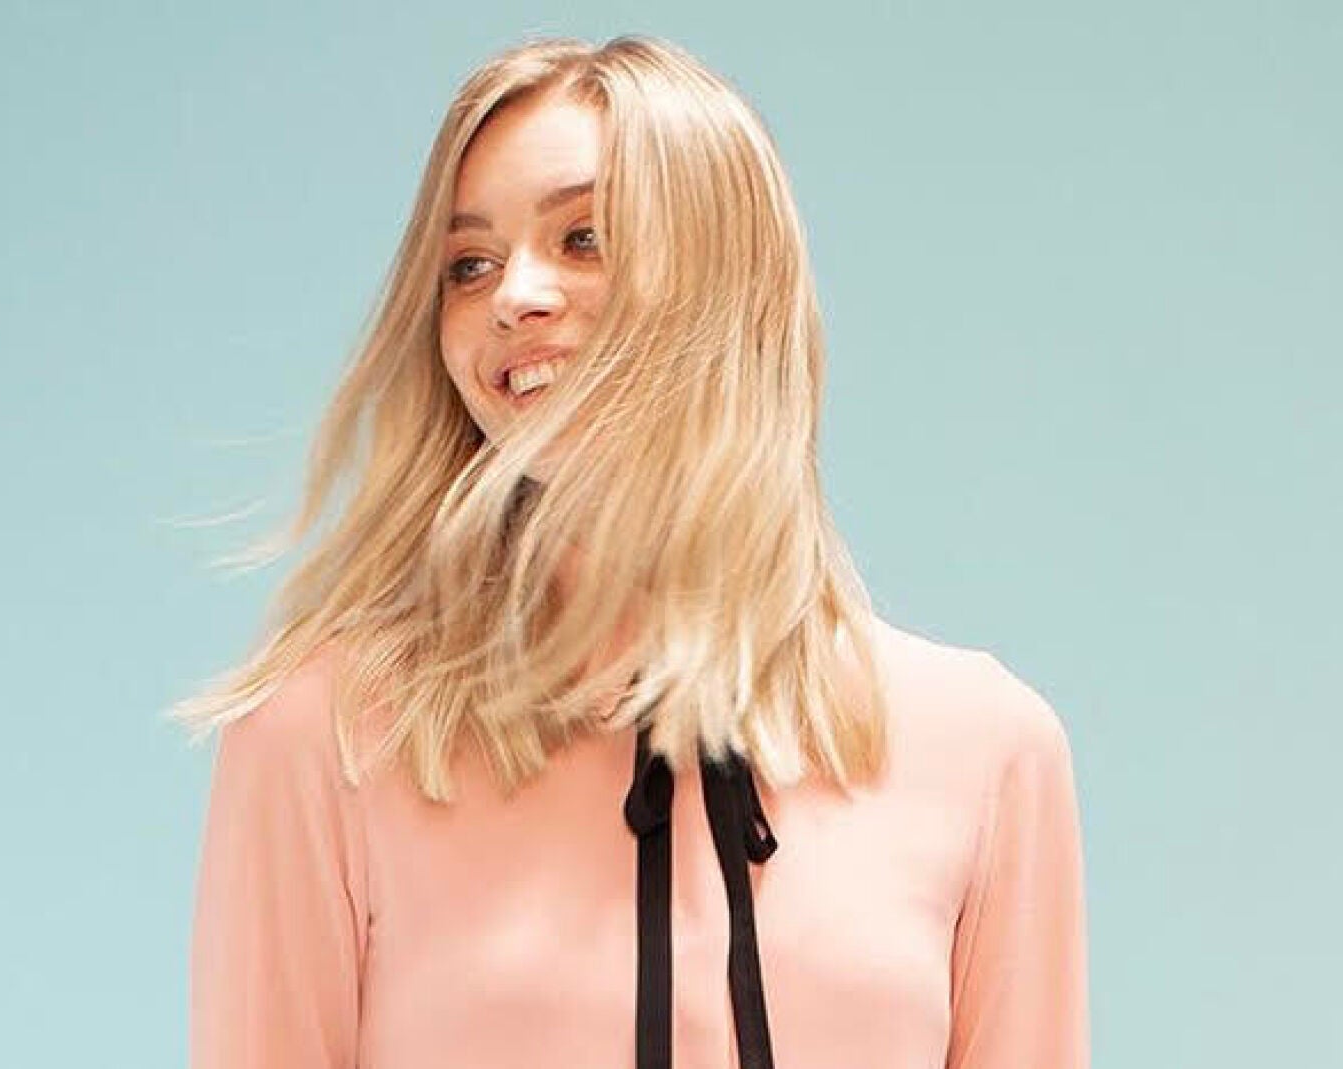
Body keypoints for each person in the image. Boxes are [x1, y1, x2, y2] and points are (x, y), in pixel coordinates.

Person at [175, 34, 1089, 1069]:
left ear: (728, 279)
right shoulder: (324, 742)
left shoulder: (986, 751)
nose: (513, 295)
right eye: (469, 265)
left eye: (584, 238)